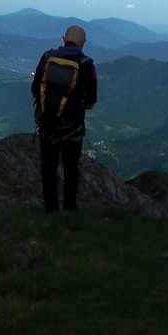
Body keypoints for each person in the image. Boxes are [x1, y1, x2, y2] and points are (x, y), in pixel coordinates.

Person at [31, 25, 98, 212]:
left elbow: (35, 93)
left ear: (63, 39)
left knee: (48, 168)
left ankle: (51, 211)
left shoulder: (47, 58)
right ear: (83, 43)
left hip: (47, 125)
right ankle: (70, 209)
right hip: (72, 128)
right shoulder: (86, 64)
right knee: (71, 168)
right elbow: (91, 103)